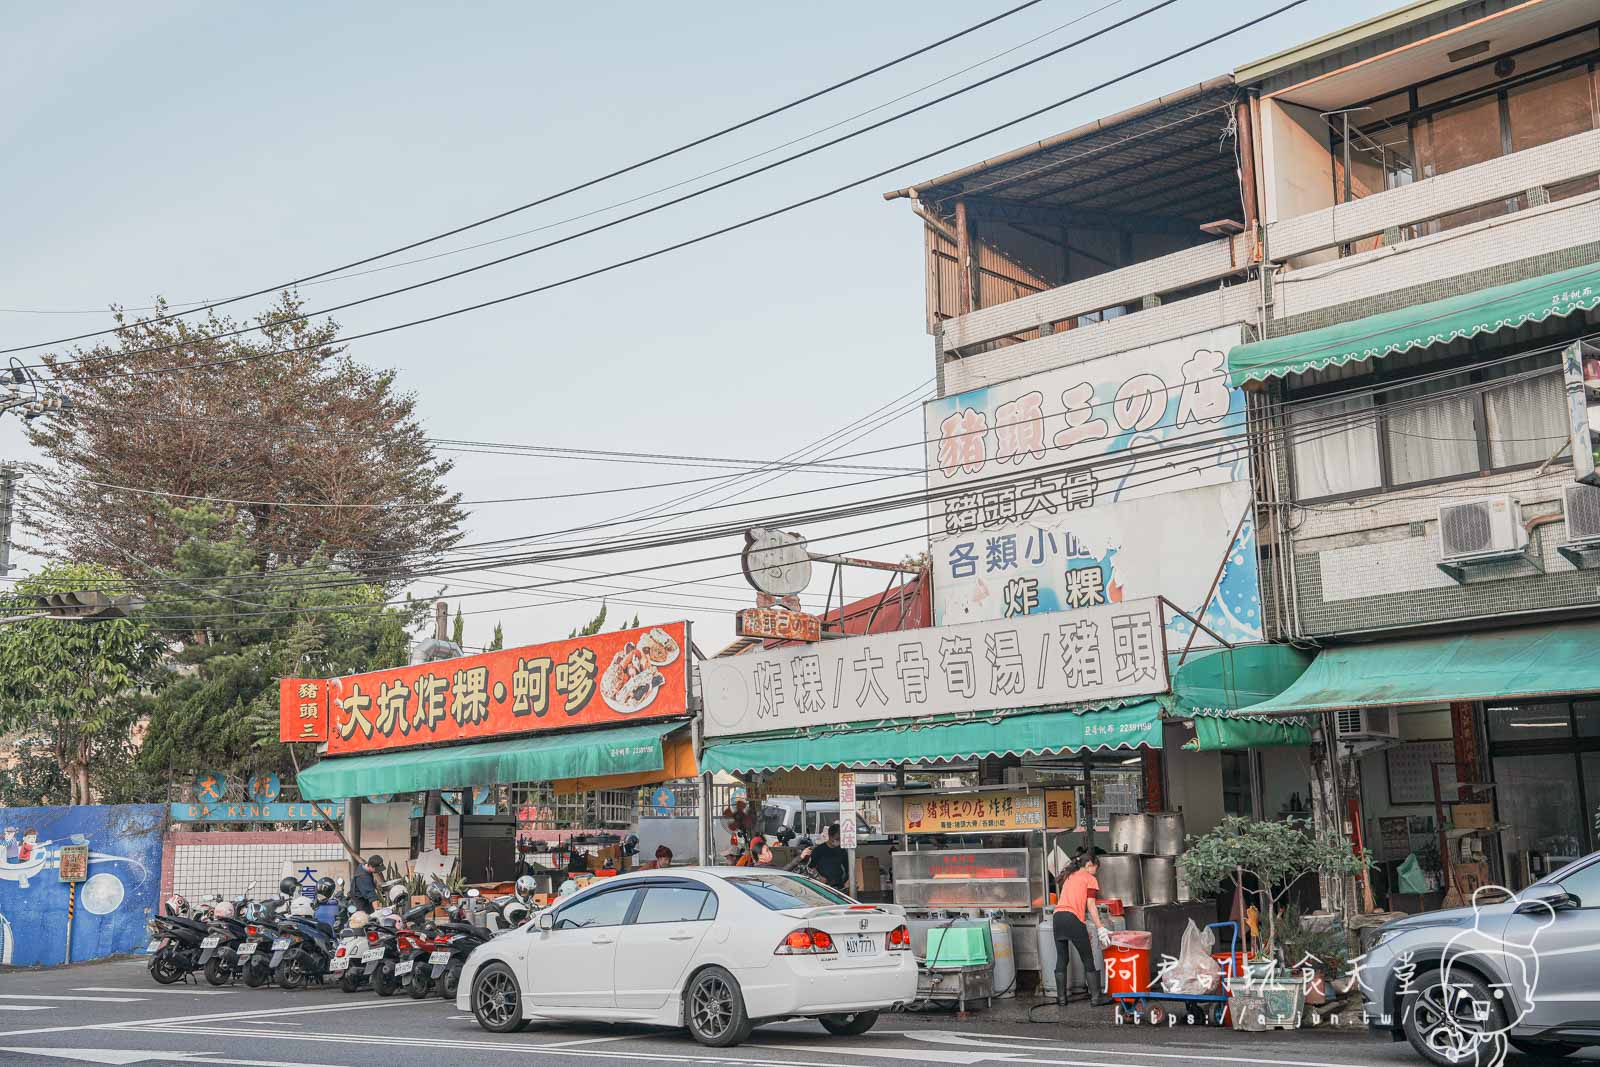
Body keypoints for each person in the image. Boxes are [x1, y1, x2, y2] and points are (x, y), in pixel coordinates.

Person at [1053, 854, 1112, 1008]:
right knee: (1087, 958)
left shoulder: (1069, 875)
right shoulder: (1089, 879)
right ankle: (1095, 998)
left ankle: (1061, 999)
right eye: (1095, 869)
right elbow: (1091, 905)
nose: (1095, 872)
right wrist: (1100, 927)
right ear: (1090, 865)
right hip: (1073, 918)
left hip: (1057, 917)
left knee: (1062, 958)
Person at [798, 823, 849, 890]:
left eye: (840, 839)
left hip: (839, 886)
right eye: (837, 838)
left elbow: (848, 869)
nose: (839, 841)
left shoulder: (842, 850)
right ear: (830, 836)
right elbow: (809, 867)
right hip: (823, 886)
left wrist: (847, 881)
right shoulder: (819, 850)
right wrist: (819, 877)